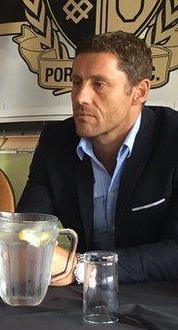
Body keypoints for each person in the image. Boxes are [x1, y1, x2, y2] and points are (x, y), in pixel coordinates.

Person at [17, 31, 178, 284]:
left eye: (99, 85)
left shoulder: (173, 138)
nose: (81, 97)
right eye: (77, 82)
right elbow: (27, 227)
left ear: (139, 91)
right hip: (81, 303)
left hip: (157, 301)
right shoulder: (57, 140)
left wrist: (85, 268)